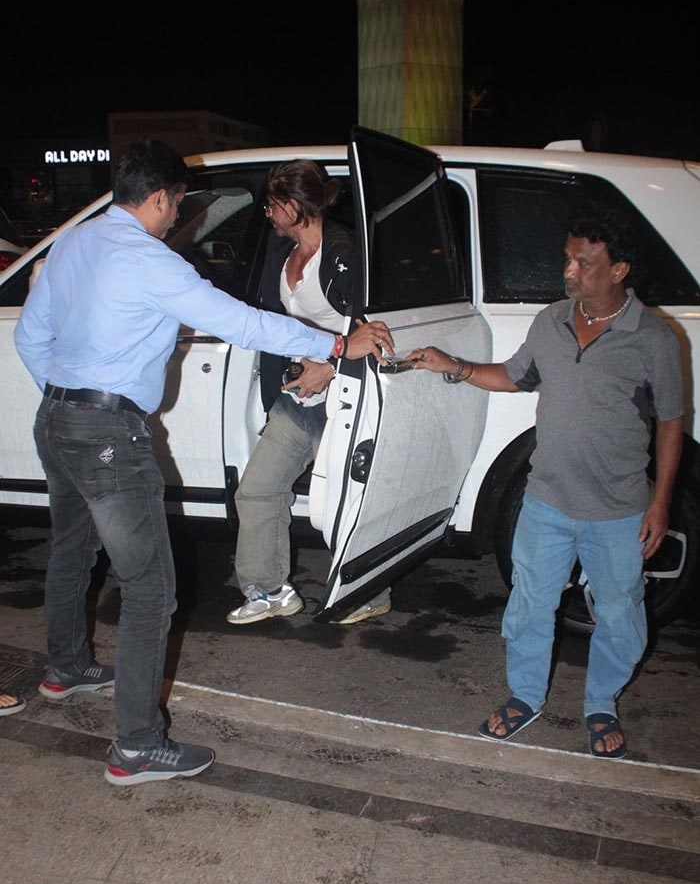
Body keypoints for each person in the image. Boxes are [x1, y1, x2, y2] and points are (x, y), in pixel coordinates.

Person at [14, 139, 393, 786]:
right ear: (160, 197)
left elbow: (28, 336)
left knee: (73, 551)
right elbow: (245, 324)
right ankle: (135, 745)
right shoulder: (151, 262)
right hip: (109, 434)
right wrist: (336, 341)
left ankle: (66, 667)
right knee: (151, 589)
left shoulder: (69, 245)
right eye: (176, 206)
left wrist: (71, 395)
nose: (174, 218)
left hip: (56, 420)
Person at [408, 205, 684, 759]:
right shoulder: (551, 322)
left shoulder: (653, 337)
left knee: (619, 612)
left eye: (584, 262)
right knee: (530, 604)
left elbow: (673, 424)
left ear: (620, 270)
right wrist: (454, 365)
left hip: (618, 510)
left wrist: (660, 504)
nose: (570, 271)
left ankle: (601, 702)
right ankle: (526, 696)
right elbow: (513, 377)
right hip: (547, 500)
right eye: (568, 259)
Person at [227, 160, 393, 626]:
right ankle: (268, 589)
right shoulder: (283, 253)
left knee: (346, 502)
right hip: (300, 396)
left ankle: (370, 589)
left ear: (296, 206)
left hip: (344, 398)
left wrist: (330, 367)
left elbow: (375, 335)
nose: (267, 214)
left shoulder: (343, 253)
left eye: (273, 205)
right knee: (257, 490)